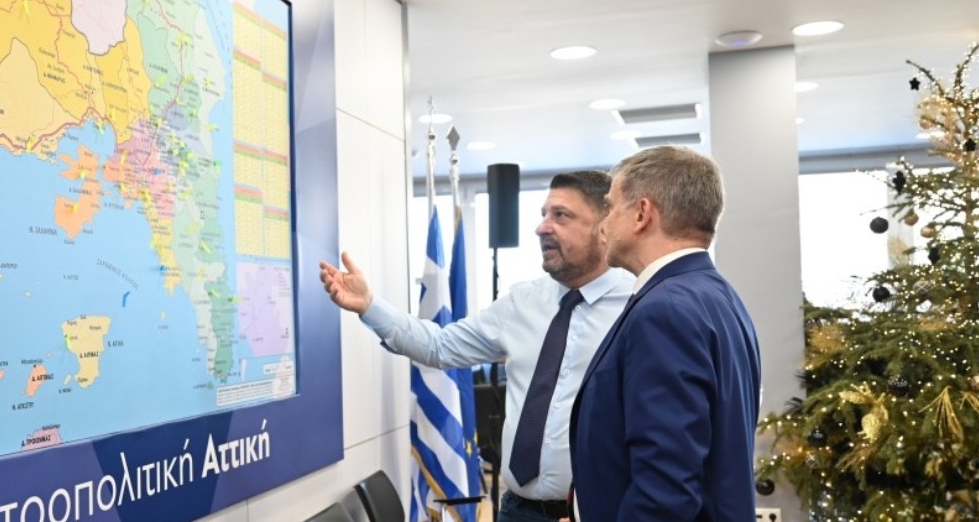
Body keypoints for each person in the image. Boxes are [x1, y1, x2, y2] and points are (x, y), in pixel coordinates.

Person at [319, 171, 634, 522]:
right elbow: (440, 345)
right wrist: (369, 305)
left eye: (561, 215)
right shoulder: (523, 302)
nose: (542, 227)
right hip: (516, 510)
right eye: (543, 214)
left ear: (604, 226)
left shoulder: (637, 305)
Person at [568, 146, 762, 521]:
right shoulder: (716, 294)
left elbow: (665, 489)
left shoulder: (664, 310)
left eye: (610, 207)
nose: (602, 225)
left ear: (642, 213)